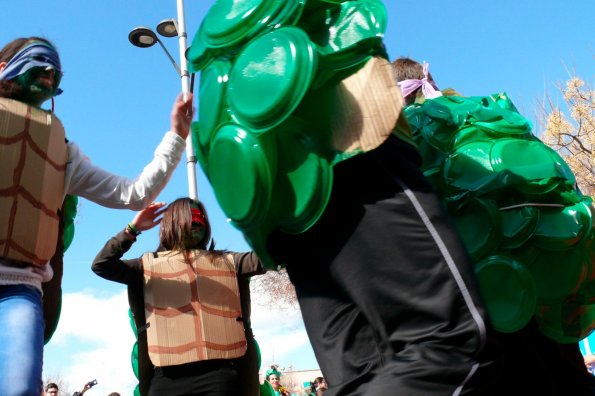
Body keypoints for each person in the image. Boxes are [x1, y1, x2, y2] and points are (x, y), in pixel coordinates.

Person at [0, 36, 194, 396]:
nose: (48, 72)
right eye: (38, 62)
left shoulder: (61, 151)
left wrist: (177, 136)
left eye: (54, 70)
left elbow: (134, 193)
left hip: (19, 289)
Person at [392, 56, 595, 396]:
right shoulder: (485, 116)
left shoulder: (410, 136)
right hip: (547, 286)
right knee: (566, 374)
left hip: (488, 296)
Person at [91, 198, 264, 396]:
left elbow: (267, 258)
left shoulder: (229, 262)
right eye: (191, 217)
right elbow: (102, 265)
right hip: (166, 376)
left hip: (220, 376)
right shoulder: (147, 266)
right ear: (173, 222)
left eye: (201, 218)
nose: (198, 222)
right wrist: (133, 229)